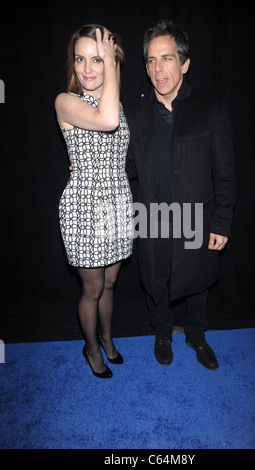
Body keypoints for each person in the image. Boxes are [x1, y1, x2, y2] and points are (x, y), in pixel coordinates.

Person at [125, 20, 236, 370]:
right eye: (151, 60)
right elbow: (126, 166)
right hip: (151, 218)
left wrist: (222, 222)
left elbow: (226, 173)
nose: (158, 69)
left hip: (196, 218)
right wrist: (90, 170)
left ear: (184, 63)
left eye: (167, 58)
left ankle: (197, 335)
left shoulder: (211, 107)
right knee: (155, 282)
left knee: (198, 283)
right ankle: (162, 332)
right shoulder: (137, 113)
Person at [55, 24, 133, 379]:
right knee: (94, 287)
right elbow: (108, 120)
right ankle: (91, 348)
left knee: (112, 284)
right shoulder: (66, 101)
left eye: (97, 59)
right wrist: (112, 63)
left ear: (111, 62)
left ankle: (107, 337)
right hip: (84, 208)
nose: (87, 68)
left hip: (117, 205)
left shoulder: (115, 100)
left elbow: (118, 145)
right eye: (80, 59)